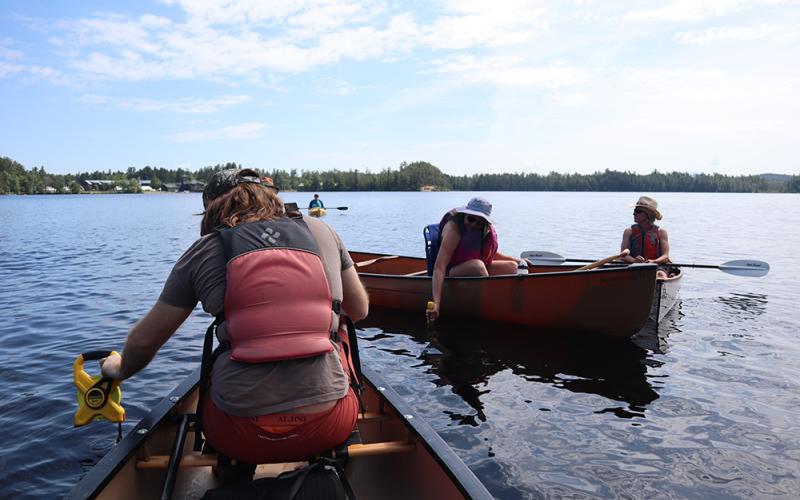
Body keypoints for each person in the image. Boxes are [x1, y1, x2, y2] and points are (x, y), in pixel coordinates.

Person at [100, 168, 369, 469]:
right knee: (339, 325)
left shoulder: (203, 250)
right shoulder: (323, 231)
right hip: (330, 424)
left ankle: (236, 468)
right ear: (271, 196)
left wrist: (119, 369)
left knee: (228, 350)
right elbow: (359, 310)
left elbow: (145, 340)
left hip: (238, 435)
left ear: (212, 206)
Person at [427, 197, 520, 321]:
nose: (473, 224)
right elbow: (439, 267)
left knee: (512, 267)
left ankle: (514, 302)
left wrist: (517, 261)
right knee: (478, 266)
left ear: (484, 223)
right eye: (471, 219)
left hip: (472, 267)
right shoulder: (453, 229)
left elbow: (488, 253)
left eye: (479, 222)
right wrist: (437, 303)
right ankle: (493, 304)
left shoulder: (483, 230)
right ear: (465, 214)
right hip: (450, 271)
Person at [621, 195, 671, 279]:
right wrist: (634, 261)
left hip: (656, 266)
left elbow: (665, 256)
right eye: (634, 211)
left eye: (638, 211)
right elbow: (623, 254)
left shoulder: (661, 232)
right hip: (631, 265)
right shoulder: (628, 232)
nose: (634, 213)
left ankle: (663, 281)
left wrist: (654, 261)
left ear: (648, 215)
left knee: (660, 275)